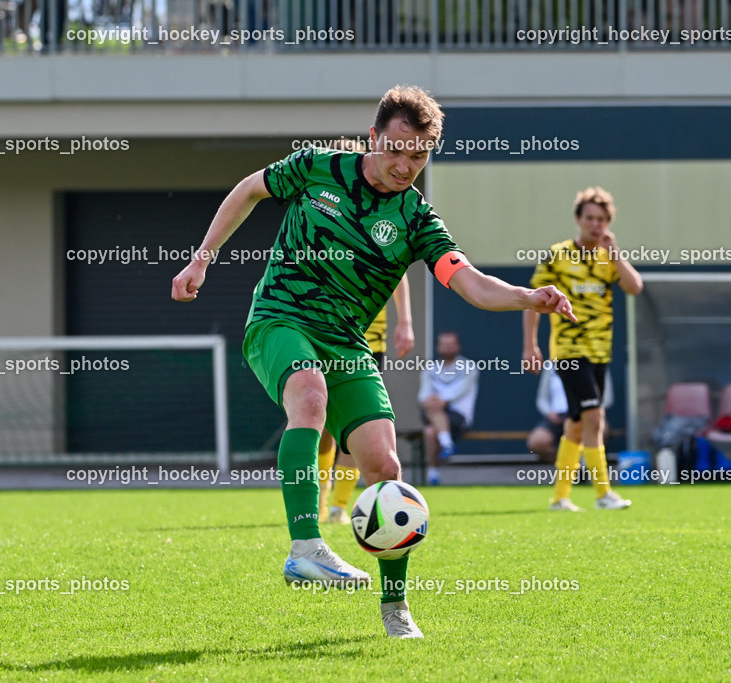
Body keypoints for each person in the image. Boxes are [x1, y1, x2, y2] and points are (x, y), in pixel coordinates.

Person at [172, 85, 575, 638]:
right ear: (374, 137)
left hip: (346, 343)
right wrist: (201, 260)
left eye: (420, 155)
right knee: (309, 399)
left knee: (385, 469)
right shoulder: (318, 168)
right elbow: (248, 190)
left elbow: (471, 283)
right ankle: (306, 546)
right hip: (280, 319)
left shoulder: (417, 218)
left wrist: (529, 297)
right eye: (397, 150)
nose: (406, 165)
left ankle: (395, 608)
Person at [523, 186, 642, 512]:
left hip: (600, 351)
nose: (596, 224)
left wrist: (615, 250)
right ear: (578, 219)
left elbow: (634, 287)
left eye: (602, 219)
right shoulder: (558, 254)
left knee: (576, 425)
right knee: (595, 417)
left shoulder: (608, 256)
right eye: (590, 218)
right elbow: (532, 301)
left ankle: (560, 498)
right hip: (569, 351)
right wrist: (530, 345)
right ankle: (604, 494)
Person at [319, 274, 412, 526]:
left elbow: (397, 271)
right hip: (328, 334)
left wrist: (405, 321)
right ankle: (320, 501)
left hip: (369, 341)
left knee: (356, 425)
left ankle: (339, 507)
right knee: (322, 425)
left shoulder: (384, 239)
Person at [418, 330, 478, 485]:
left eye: (451, 344)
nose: (448, 348)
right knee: (432, 415)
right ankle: (447, 445)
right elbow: (423, 395)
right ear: (438, 347)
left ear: (458, 346)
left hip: (459, 417)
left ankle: (433, 471)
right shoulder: (430, 369)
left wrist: (442, 401)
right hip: (433, 412)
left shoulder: (469, 367)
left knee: (430, 432)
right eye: (444, 344)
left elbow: (459, 392)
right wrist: (428, 401)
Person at [527, 366, 613, 464]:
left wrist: (590, 410)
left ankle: (587, 466)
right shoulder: (551, 367)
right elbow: (542, 399)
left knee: (600, 431)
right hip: (558, 417)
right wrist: (549, 412)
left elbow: (607, 397)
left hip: (587, 414)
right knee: (537, 441)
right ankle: (568, 465)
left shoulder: (597, 363)